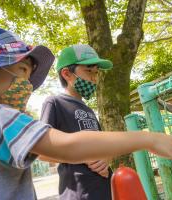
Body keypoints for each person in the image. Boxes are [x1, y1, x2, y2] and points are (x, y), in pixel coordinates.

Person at [0, 27, 172, 200]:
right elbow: (65, 146)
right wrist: (147, 138)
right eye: (22, 69)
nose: (27, 83)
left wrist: (106, 157)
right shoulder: (0, 116)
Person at [41, 44, 114, 200]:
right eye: (88, 71)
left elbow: (102, 147)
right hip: (78, 193)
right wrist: (81, 157)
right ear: (67, 74)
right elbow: (40, 152)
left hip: (104, 190)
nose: (94, 78)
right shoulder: (54, 103)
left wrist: (107, 158)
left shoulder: (88, 110)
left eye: (96, 72)